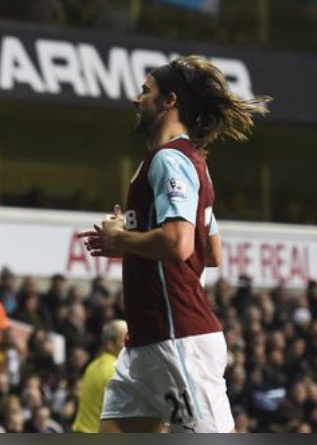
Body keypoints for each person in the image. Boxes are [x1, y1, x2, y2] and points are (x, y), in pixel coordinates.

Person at [81, 55, 270, 433]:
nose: (137, 99)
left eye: (146, 91)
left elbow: (179, 244)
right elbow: (210, 252)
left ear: (169, 101)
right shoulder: (187, 160)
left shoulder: (170, 160)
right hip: (146, 341)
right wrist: (128, 244)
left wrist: (120, 237)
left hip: (178, 338)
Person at [72, 319, 128, 433]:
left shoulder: (92, 366)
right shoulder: (117, 370)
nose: (130, 346)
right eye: (125, 340)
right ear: (110, 344)